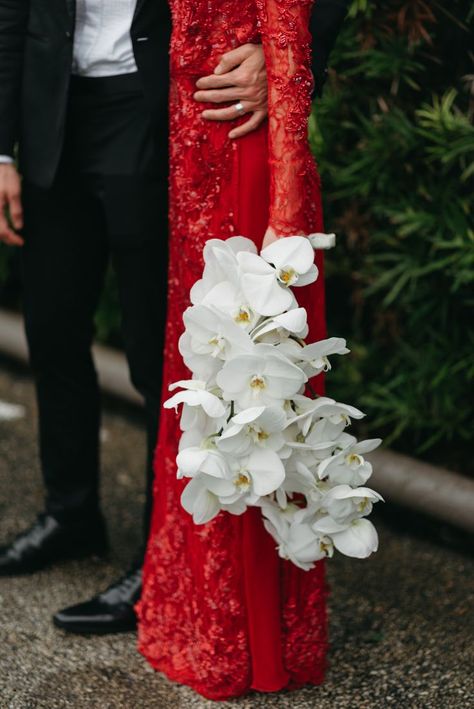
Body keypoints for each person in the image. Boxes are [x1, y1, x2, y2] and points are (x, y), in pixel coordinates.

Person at [0, 0, 349, 636]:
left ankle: (158, 558)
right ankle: (70, 514)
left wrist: (292, 60)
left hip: (167, 106)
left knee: (156, 351)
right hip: (51, 103)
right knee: (51, 328)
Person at [137, 0, 348, 699]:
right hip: (190, 151)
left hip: (243, 156)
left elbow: (286, 33)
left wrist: (284, 217)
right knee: (198, 372)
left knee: (244, 369)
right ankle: (203, 606)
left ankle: (258, 634)